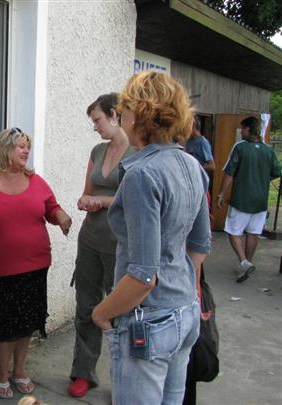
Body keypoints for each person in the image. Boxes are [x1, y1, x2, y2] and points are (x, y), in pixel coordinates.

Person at [92, 71, 211, 404]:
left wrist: (101, 313)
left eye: (125, 110)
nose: (121, 117)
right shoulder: (191, 165)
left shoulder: (142, 174)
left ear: (139, 115)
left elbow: (143, 275)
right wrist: (189, 295)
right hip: (184, 311)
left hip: (150, 321)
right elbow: (199, 247)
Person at [0, 127, 72, 400]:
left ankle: (19, 370)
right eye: (20, 145)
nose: (26, 150)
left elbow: (51, 207)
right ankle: (2, 373)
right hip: (3, 267)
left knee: (28, 322)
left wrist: (61, 216)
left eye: (27, 146)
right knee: (10, 323)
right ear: (5, 148)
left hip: (37, 263)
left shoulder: (35, 180)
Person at [68, 93, 135, 398]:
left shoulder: (137, 152)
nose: (94, 127)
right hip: (91, 239)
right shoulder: (97, 151)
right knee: (86, 307)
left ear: (114, 115)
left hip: (121, 243)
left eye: (97, 120)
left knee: (121, 312)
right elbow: (88, 191)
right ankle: (83, 373)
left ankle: (125, 379)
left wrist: (102, 201)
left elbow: (137, 199)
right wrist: (86, 200)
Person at [216, 116, 281, 282]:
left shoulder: (240, 147)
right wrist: (261, 179)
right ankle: (247, 263)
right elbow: (276, 172)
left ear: (248, 129)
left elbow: (229, 173)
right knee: (253, 233)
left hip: (241, 199)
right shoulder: (268, 151)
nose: (241, 132)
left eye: (243, 129)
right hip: (260, 201)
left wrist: (221, 194)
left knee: (233, 231)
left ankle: (244, 262)